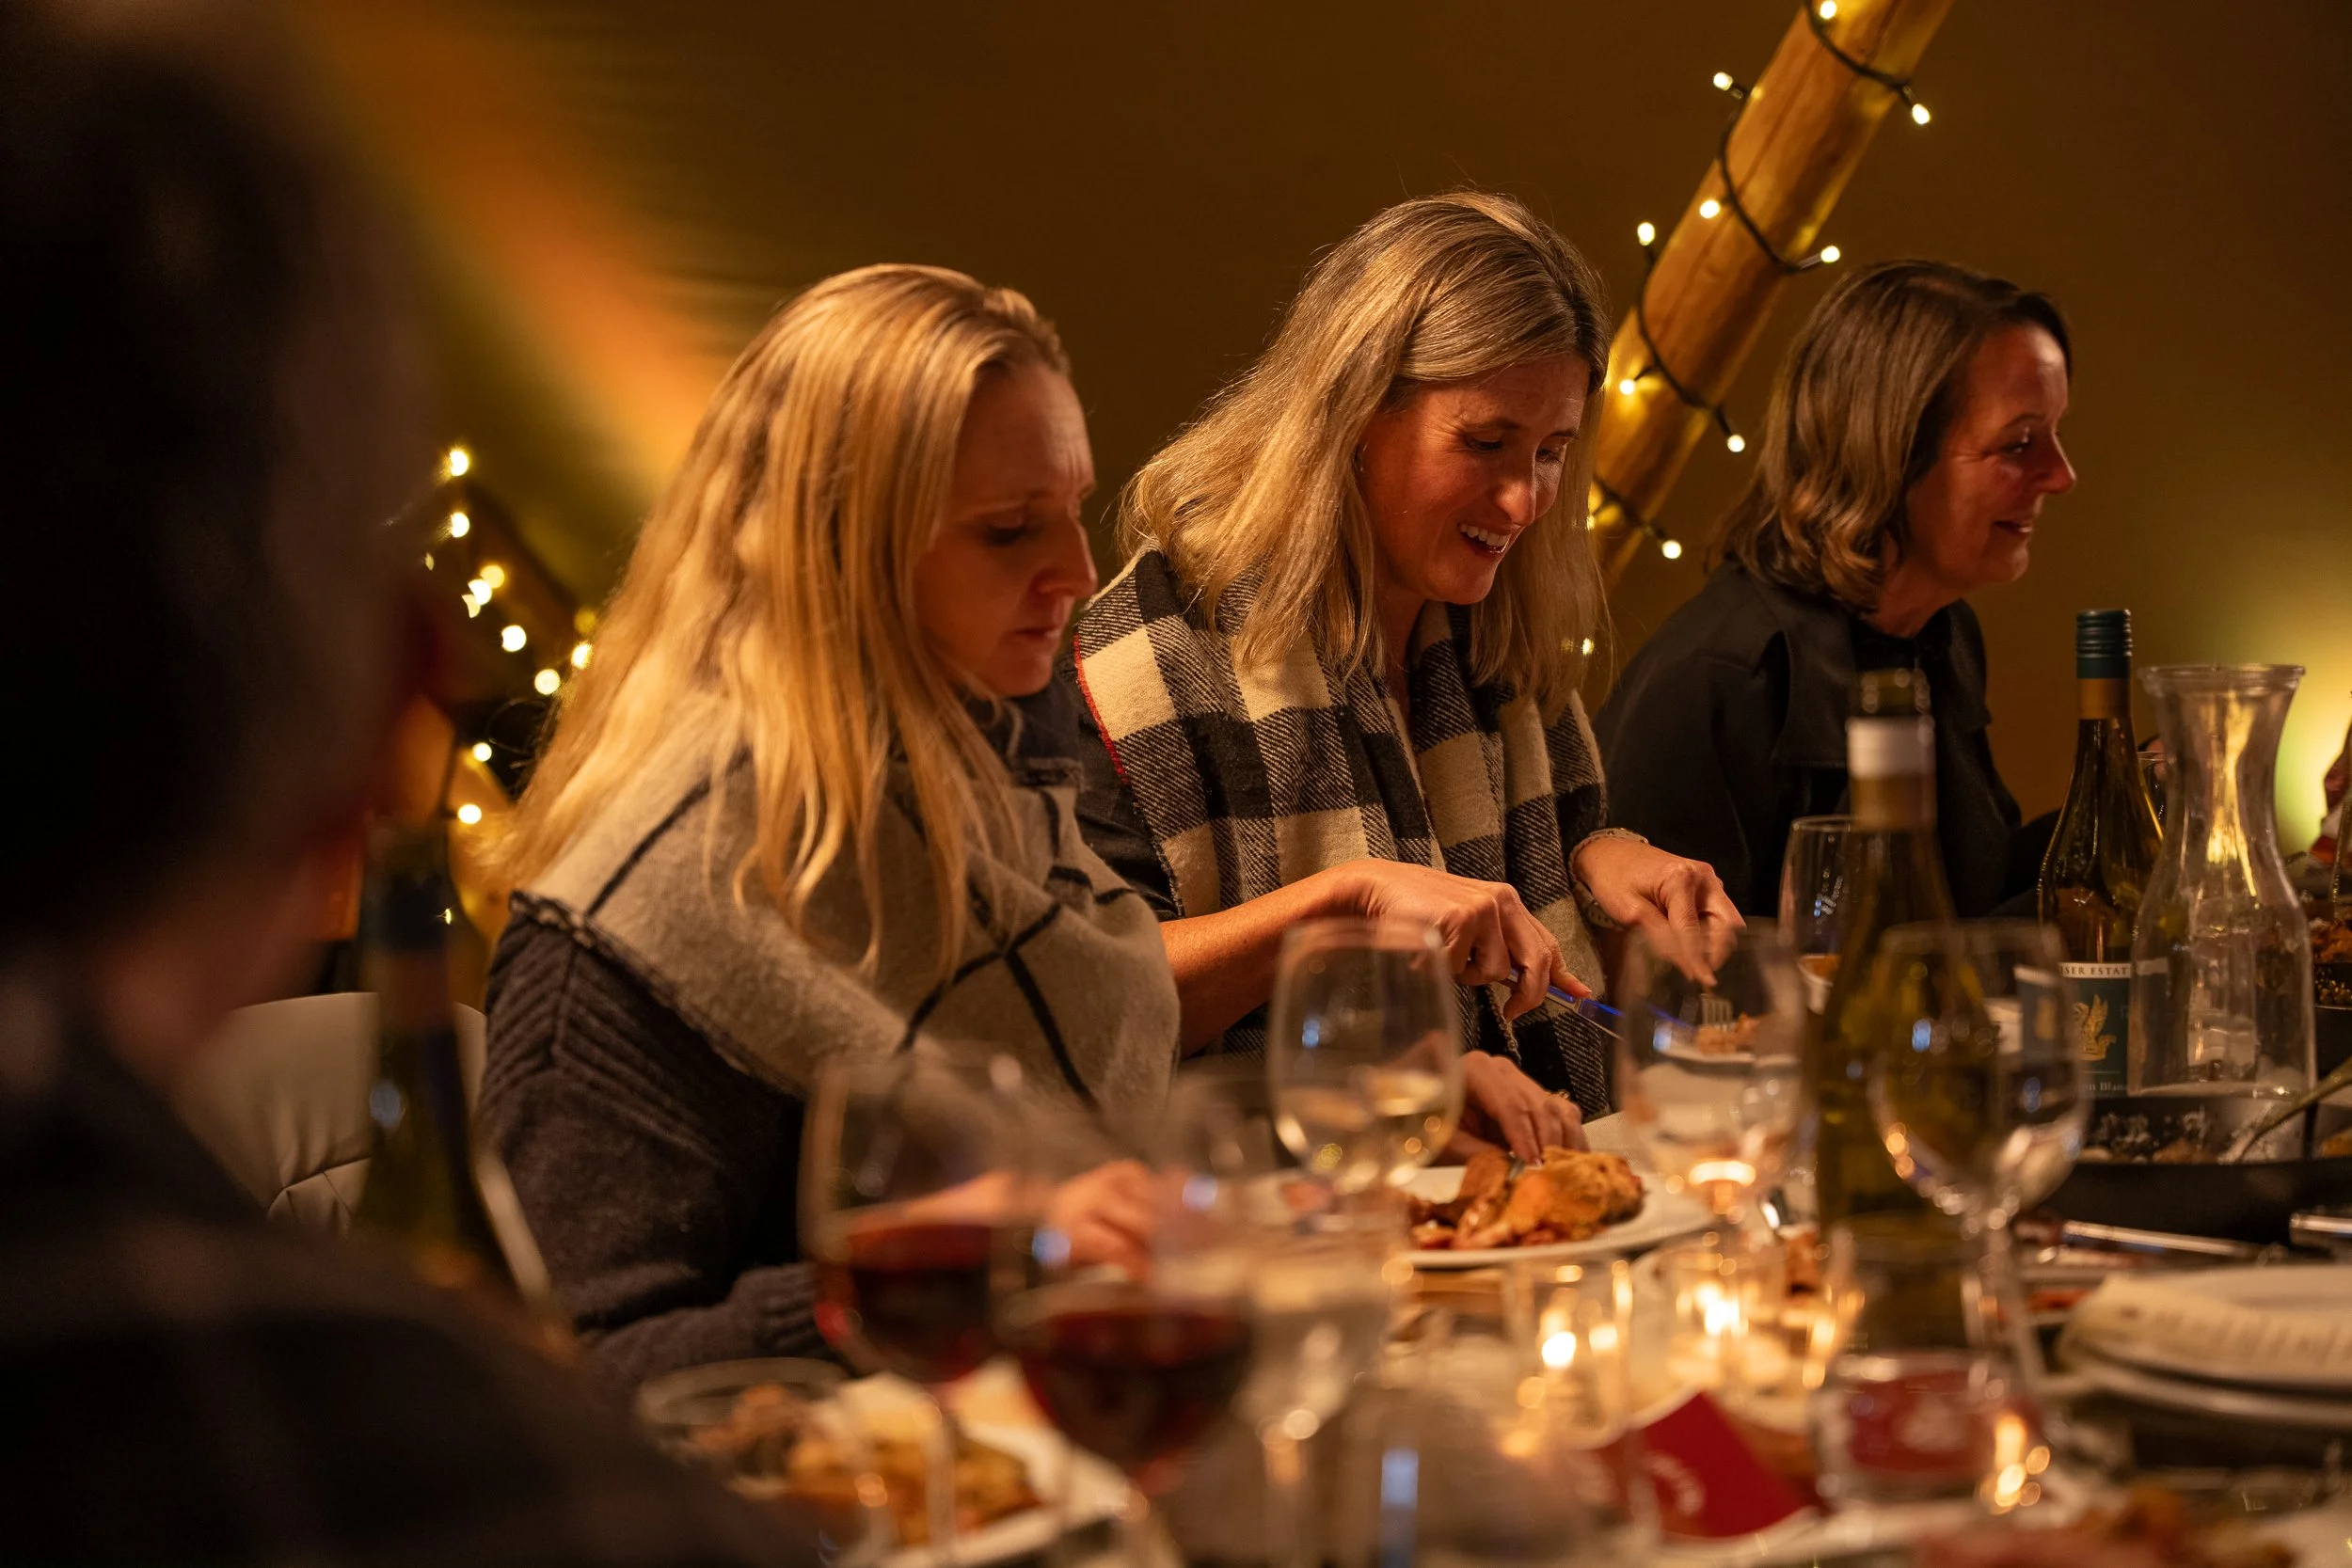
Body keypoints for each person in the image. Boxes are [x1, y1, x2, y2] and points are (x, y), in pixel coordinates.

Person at [0, 4, 810, 1560]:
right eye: (1006, 527)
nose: (1067, 574)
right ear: (385, 729)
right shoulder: (458, 1483)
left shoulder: (1005, 799)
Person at [485, 266, 1174, 1386]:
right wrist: (933, 1271)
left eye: (1073, 507)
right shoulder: (649, 914)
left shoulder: (996, 772)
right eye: (1009, 530)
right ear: (838, 554)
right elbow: (564, 1379)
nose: (1078, 572)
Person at [1047, 193, 1740, 1123]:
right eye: (1486, 443)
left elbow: (1513, 957)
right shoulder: (1154, 653)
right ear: (1355, 411)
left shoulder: (1494, 643)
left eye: (1551, 452)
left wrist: (1599, 868)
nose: (1524, 499)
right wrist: (1341, 905)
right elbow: (1090, 998)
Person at [1593, 261, 2077, 918]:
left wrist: (2136, 799)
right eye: (2020, 444)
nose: (2062, 474)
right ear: (1893, 451)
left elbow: (1959, 911)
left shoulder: (1942, 634)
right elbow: (1675, 997)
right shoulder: (1719, 680)